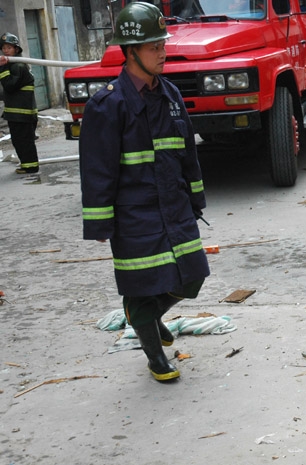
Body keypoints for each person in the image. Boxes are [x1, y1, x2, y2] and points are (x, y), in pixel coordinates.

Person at [79, 2, 210, 382]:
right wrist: (100, 222)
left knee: (192, 276)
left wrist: (196, 198)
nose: (162, 52)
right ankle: (156, 357)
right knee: (142, 283)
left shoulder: (168, 95)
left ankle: (145, 316)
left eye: (162, 44)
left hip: (175, 207)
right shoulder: (108, 104)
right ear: (130, 51)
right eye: (153, 46)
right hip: (134, 213)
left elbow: (188, 155)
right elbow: (96, 169)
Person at [0, 33, 39, 175]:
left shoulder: (18, 66)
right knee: (20, 141)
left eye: (9, 47)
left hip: (21, 114)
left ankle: (31, 167)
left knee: (24, 141)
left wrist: (2, 69)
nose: (5, 51)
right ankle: (27, 165)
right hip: (18, 113)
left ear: (16, 49)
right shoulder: (15, 65)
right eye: (3, 48)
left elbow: (9, 86)